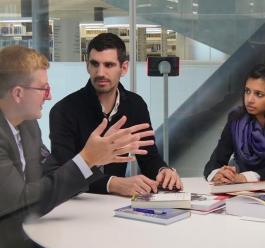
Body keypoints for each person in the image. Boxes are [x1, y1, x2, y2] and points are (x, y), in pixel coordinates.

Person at [0, 45, 153, 218]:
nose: (49, 96)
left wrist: (93, 159)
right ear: (18, 94)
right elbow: (20, 204)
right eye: (44, 89)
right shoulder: (60, 111)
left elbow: (51, 171)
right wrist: (87, 159)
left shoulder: (28, 125)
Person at [49, 33, 182, 197]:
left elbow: (148, 158)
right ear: (87, 66)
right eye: (95, 64)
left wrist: (163, 172)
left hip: (116, 203)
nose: (100, 72)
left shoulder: (135, 105)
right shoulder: (63, 110)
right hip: (75, 202)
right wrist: (113, 183)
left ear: (124, 68)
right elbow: (64, 172)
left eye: (109, 65)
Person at [204, 64, 265, 183]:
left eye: (259, 94)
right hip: (239, 190)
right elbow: (215, 163)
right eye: (247, 91)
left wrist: (247, 177)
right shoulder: (236, 119)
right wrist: (218, 174)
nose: (249, 99)